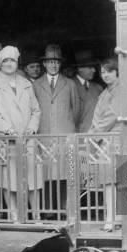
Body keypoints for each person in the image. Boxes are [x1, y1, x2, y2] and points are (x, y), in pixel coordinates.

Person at [0, 46, 41, 220]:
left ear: (17, 62)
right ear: (1, 64)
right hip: (5, 140)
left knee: (32, 181)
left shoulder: (26, 84)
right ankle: (15, 217)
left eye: (12, 60)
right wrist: (8, 130)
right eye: (5, 61)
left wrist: (31, 128)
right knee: (8, 181)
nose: (9, 64)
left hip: (26, 139)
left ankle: (37, 217)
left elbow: (36, 110)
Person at [33, 44, 81, 216]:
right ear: (44, 64)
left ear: (60, 64)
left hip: (64, 135)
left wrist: (67, 126)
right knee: (45, 175)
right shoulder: (36, 84)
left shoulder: (69, 84)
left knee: (64, 175)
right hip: (44, 135)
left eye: (56, 62)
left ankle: (65, 209)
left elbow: (76, 110)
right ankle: (48, 211)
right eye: (50, 62)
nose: (53, 65)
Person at [89, 57, 123, 232]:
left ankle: (113, 219)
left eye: (109, 71)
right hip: (105, 140)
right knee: (109, 181)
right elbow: (97, 118)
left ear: (117, 72)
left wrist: (93, 136)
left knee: (113, 181)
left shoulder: (120, 90)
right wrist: (92, 134)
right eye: (103, 72)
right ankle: (112, 218)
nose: (106, 75)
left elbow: (111, 115)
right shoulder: (105, 92)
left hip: (114, 140)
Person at [73, 49, 103, 132]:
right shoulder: (69, 86)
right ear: (80, 69)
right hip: (76, 137)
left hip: (95, 136)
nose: (94, 70)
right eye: (90, 67)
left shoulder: (98, 88)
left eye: (94, 67)